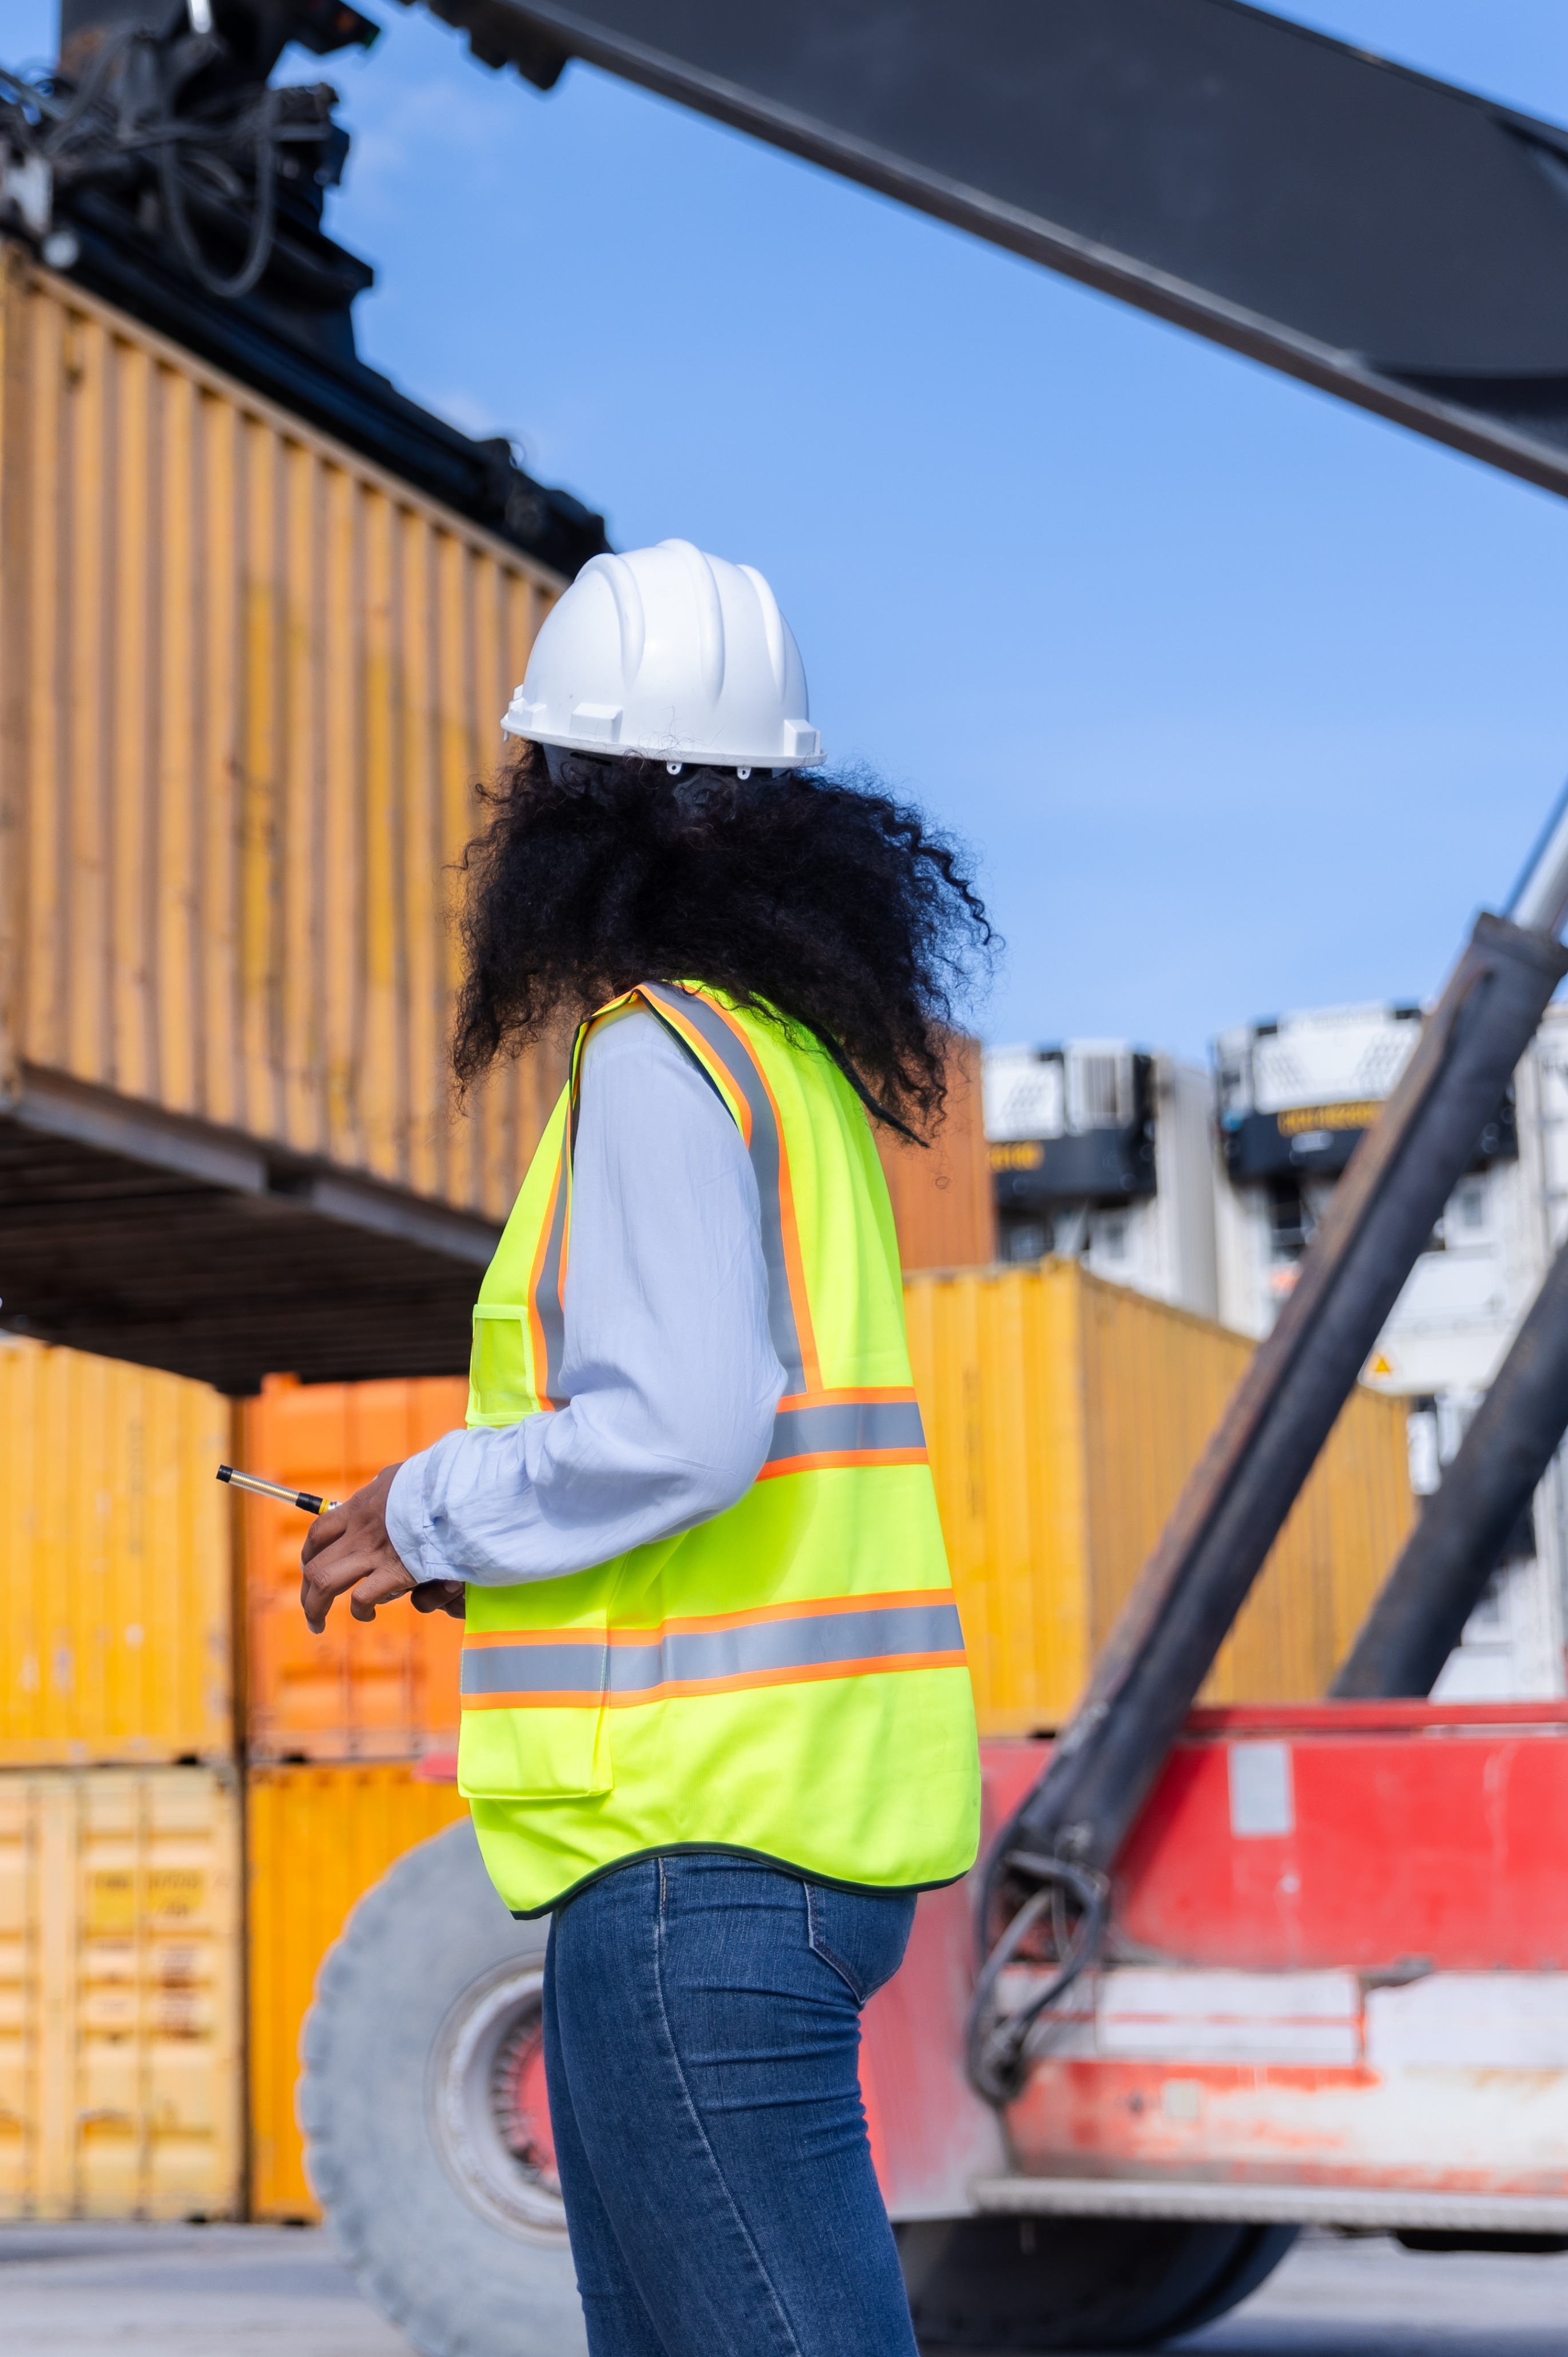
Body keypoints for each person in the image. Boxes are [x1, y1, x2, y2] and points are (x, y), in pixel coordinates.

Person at [296, 538, 993, 2357]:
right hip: (791, 1838)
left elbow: (680, 1428)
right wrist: (483, 1555)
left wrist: (425, 1498)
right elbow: (725, 1474)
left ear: (571, 813)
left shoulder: (662, 1059)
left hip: (700, 1875)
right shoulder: (788, 1069)